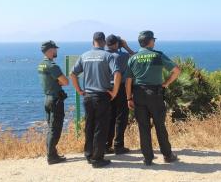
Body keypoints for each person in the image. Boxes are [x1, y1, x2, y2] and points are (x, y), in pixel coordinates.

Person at [125, 31, 181, 166]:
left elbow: (128, 81)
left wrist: (129, 98)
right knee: (160, 126)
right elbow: (176, 70)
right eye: (153, 40)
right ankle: (167, 155)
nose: (154, 42)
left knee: (143, 127)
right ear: (150, 41)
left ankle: (148, 158)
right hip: (155, 94)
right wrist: (166, 83)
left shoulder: (133, 58)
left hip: (138, 94)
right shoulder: (158, 55)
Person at [70, 32, 121, 168]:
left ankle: (89, 154)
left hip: (88, 97)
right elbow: (117, 73)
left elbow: (72, 74)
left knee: (89, 126)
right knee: (101, 127)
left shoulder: (84, 56)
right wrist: (115, 92)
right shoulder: (108, 56)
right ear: (103, 42)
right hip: (102, 96)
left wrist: (79, 90)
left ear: (93, 42)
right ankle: (97, 159)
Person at [38, 40, 69, 165]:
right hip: (55, 100)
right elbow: (65, 82)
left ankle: (52, 153)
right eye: (55, 49)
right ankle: (51, 156)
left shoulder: (41, 64)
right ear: (50, 50)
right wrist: (59, 82)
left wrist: (57, 82)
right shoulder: (52, 66)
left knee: (51, 128)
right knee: (55, 129)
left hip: (47, 99)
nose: (56, 51)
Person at [105, 35, 135, 155]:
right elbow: (135, 57)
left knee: (109, 117)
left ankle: (106, 145)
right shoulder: (121, 56)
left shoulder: (103, 55)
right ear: (117, 43)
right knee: (121, 118)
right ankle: (118, 145)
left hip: (106, 89)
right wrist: (126, 47)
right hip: (121, 89)